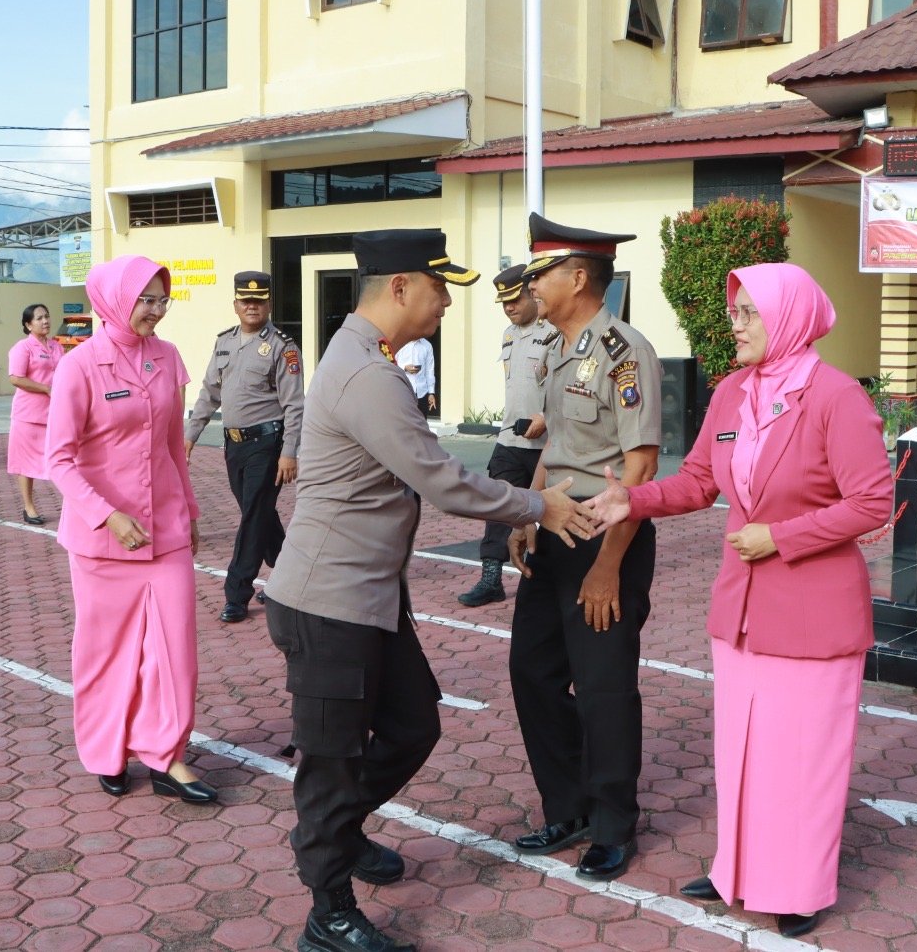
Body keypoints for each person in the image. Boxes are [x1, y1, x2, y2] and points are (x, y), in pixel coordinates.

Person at [263, 229, 597, 952]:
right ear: (400, 287)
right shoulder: (366, 373)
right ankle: (328, 909)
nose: (448, 301)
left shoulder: (367, 359)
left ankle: (335, 833)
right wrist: (541, 506)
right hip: (329, 601)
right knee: (333, 761)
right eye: (440, 287)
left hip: (369, 595)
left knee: (414, 724)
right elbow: (441, 479)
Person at [586, 262, 893, 939]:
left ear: (788, 317)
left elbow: (873, 501)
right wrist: (631, 500)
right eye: (735, 312)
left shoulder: (836, 397)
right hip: (743, 614)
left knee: (803, 761)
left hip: (813, 614)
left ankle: (799, 888)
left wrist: (781, 537)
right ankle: (739, 872)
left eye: (750, 313)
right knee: (744, 754)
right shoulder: (732, 393)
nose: (736, 325)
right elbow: (698, 481)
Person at [506, 212, 662, 883]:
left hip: (606, 538)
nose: (531, 284)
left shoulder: (627, 351)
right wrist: (527, 510)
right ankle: (566, 805)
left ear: (578, 276)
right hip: (554, 531)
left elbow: (642, 467)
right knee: (531, 671)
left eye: (541, 273)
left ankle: (612, 823)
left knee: (602, 687)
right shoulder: (556, 348)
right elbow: (557, 447)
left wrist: (607, 566)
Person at [45, 255, 215, 806]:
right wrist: (107, 514)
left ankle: (166, 754)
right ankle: (107, 752)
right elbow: (59, 459)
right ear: (116, 299)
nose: (156, 311)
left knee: (176, 648)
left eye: (163, 300)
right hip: (102, 538)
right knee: (106, 652)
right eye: (146, 299)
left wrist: (187, 508)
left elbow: (172, 446)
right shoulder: (81, 365)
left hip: (164, 529)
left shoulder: (166, 357)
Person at [184, 271, 305, 624]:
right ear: (235, 304)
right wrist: (189, 436)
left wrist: (289, 451)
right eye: (245, 300)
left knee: (253, 516)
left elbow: (295, 405)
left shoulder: (284, 347)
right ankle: (292, 576)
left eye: (259, 300)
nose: (252, 306)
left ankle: (237, 593)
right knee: (260, 514)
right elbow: (209, 392)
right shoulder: (224, 342)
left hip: (268, 444)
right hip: (233, 445)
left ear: (269, 304)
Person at [458, 264, 550, 607]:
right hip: (510, 440)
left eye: (515, 299)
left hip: (547, 442)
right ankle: (491, 579)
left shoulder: (554, 331)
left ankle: (555, 576)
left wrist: (547, 417)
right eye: (504, 302)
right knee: (499, 508)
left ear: (531, 293)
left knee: (553, 510)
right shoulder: (508, 334)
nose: (509, 307)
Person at [7, 303, 62, 524]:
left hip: (54, 414)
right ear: (28, 325)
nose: (45, 321)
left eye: (47, 316)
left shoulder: (57, 347)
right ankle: (29, 507)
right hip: (28, 415)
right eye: (39, 318)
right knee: (25, 463)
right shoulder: (23, 348)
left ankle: (72, 504)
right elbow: (16, 378)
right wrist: (45, 388)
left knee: (61, 458)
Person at [395, 335, 435, 416]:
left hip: (422, 392)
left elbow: (429, 370)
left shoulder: (427, 345)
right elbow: (390, 363)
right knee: (405, 423)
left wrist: (431, 393)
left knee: (422, 423)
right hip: (403, 390)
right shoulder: (399, 343)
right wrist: (404, 368)